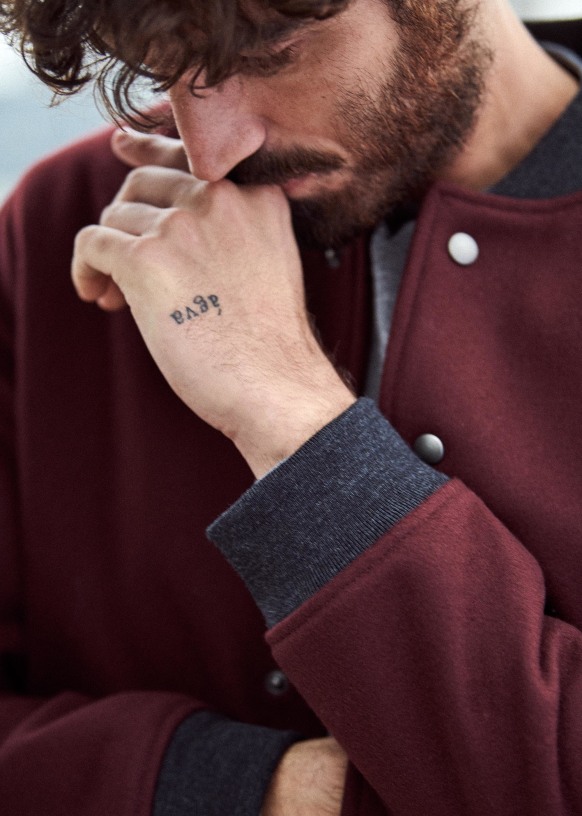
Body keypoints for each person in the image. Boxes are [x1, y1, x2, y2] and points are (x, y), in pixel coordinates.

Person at [1, 0, 582, 812]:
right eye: (159, 69)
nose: (212, 154)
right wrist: (257, 791)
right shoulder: (71, 223)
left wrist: (290, 411)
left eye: (269, 51)